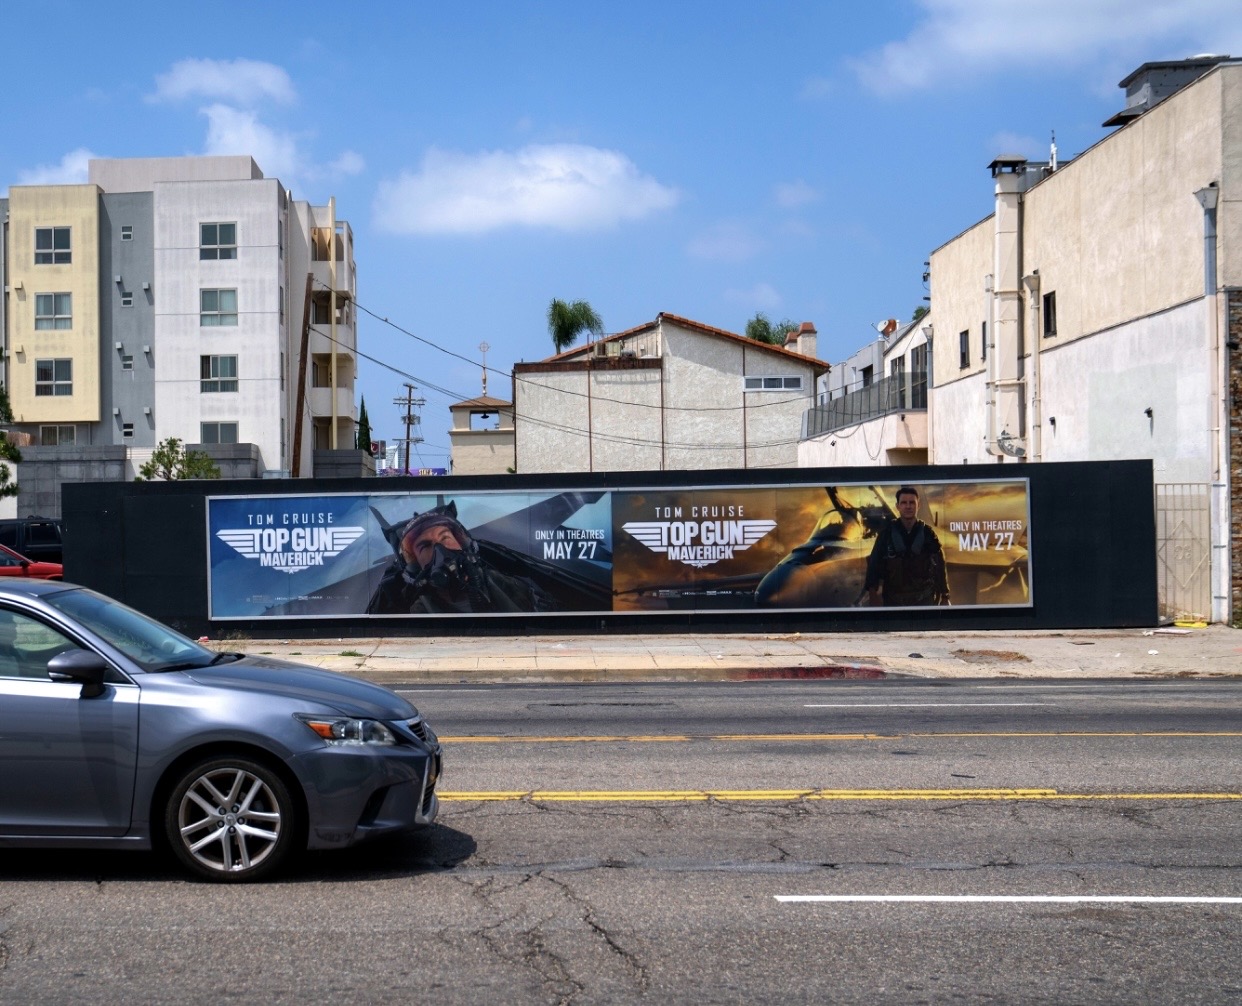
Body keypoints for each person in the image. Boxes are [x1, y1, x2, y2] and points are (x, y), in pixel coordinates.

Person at [366, 505, 556, 614]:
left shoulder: (503, 585)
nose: (440, 551)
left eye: (445, 538)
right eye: (425, 546)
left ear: (463, 544)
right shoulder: (418, 612)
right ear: (415, 565)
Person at [863, 486, 950, 606]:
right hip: (894, 601)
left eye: (912, 503)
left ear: (918, 505)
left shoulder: (928, 534)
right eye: (904, 503)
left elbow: (939, 563)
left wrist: (945, 596)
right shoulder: (886, 534)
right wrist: (872, 593)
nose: (908, 506)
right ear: (897, 506)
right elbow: (874, 563)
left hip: (924, 600)